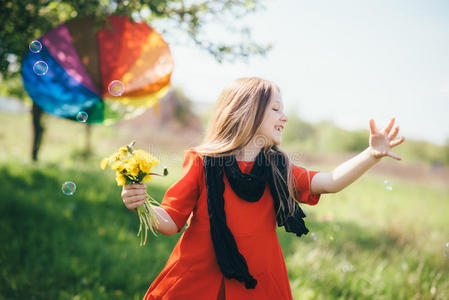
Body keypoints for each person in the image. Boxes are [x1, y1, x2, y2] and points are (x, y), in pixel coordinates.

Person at [121, 77, 405, 300]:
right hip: (199, 282)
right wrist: (142, 203)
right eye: (276, 109)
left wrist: (371, 155)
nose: (285, 117)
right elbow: (171, 221)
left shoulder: (278, 169)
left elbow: (330, 182)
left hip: (256, 286)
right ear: (247, 111)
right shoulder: (203, 161)